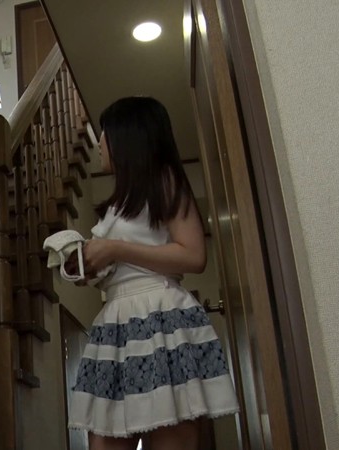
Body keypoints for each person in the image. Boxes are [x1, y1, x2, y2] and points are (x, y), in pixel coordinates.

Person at [66, 97, 239, 450]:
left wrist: (115, 249)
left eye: (105, 133)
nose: (99, 142)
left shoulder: (164, 180)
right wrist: (90, 268)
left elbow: (193, 255)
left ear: (127, 138)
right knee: (103, 439)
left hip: (160, 316)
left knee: (168, 436)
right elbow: (122, 262)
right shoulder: (115, 205)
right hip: (116, 322)